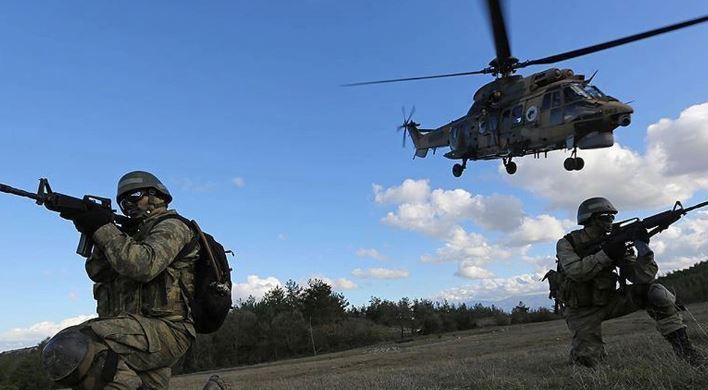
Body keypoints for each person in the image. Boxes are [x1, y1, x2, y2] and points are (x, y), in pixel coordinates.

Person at [41, 171, 199, 389]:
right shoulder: (128, 237)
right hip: (136, 332)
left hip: (167, 331)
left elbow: (143, 266)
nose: (128, 205)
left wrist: (103, 228)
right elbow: (98, 272)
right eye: (122, 202)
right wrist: (96, 230)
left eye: (134, 196)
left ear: (156, 195)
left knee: (75, 344)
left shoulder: (173, 226)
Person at [555, 197, 704, 368]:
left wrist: (644, 250)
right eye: (605, 217)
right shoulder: (568, 243)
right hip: (581, 311)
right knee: (588, 364)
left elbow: (642, 277)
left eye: (612, 217)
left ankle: (687, 353)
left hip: (609, 301)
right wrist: (607, 254)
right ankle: (582, 357)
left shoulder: (614, 242)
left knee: (656, 292)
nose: (610, 221)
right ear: (589, 219)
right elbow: (576, 272)